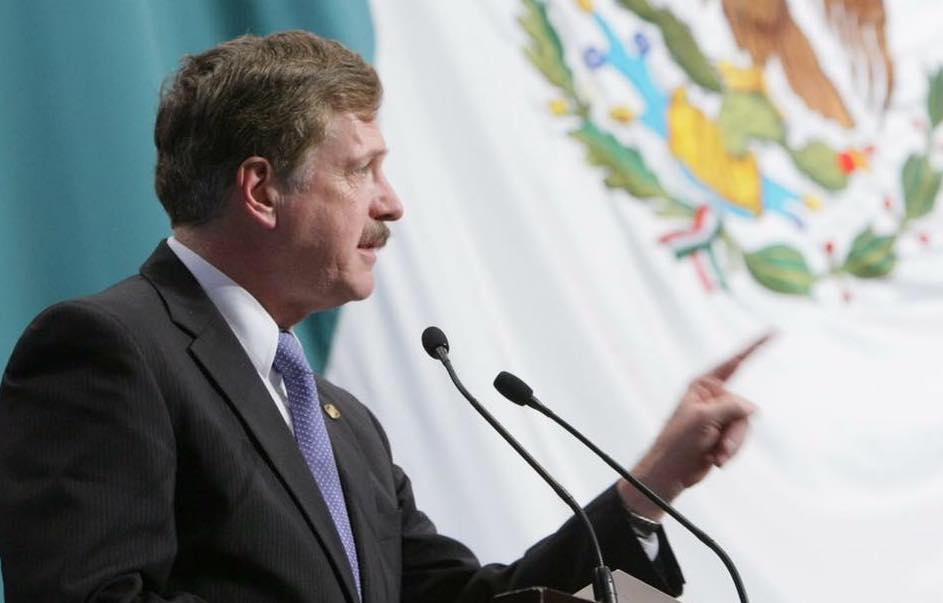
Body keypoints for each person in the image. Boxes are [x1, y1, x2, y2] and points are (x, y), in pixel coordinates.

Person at [0, 31, 759, 602]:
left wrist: (648, 487)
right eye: (361, 169)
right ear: (261, 190)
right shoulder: (109, 350)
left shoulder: (344, 424)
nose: (391, 203)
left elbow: (465, 598)